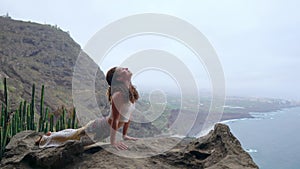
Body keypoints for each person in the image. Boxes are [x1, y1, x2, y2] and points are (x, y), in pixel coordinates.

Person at [35, 67, 139, 150]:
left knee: (75, 134)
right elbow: (115, 120)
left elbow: (128, 116)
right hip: (98, 129)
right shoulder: (118, 95)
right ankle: (45, 138)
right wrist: (113, 142)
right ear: (119, 79)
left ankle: (52, 134)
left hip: (102, 129)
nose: (126, 68)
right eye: (123, 70)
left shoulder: (129, 93)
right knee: (72, 139)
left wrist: (125, 135)